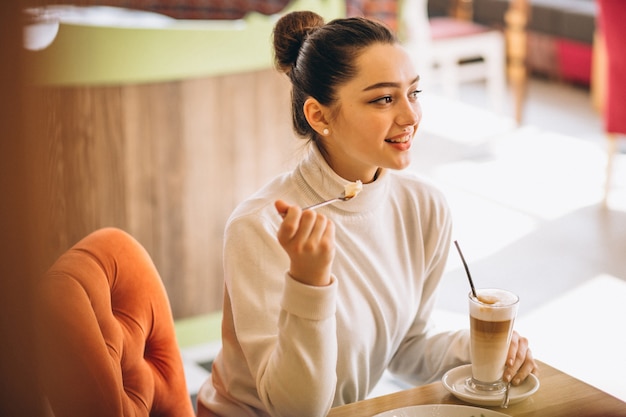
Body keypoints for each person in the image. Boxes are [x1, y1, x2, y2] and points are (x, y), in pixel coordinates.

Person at [196, 10, 537, 417]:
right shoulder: (261, 226)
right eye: (384, 99)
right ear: (319, 116)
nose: (410, 116)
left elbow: (406, 351)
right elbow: (298, 410)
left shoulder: (423, 207)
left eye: (414, 93)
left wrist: (481, 349)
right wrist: (309, 283)